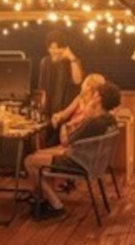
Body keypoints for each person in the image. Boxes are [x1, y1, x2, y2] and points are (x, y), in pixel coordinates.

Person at [24, 80, 121, 219]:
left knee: (29, 161)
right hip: (92, 162)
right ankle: (43, 200)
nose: (92, 95)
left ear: (98, 98)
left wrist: (64, 125)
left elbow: (66, 141)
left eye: (95, 94)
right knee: (39, 156)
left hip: (77, 163)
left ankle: (56, 205)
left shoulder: (93, 122)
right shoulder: (110, 120)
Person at [39, 30, 83, 146]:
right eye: (51, 48)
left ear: (64, 48)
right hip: (50, 112)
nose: (54, 51)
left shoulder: (72, 62)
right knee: (47, 143)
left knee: (64, 143)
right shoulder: (45, 62)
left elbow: (78, 81)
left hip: (67, 111)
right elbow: (44, 90)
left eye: (57, 48)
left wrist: (72, 58)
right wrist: (43, 108)